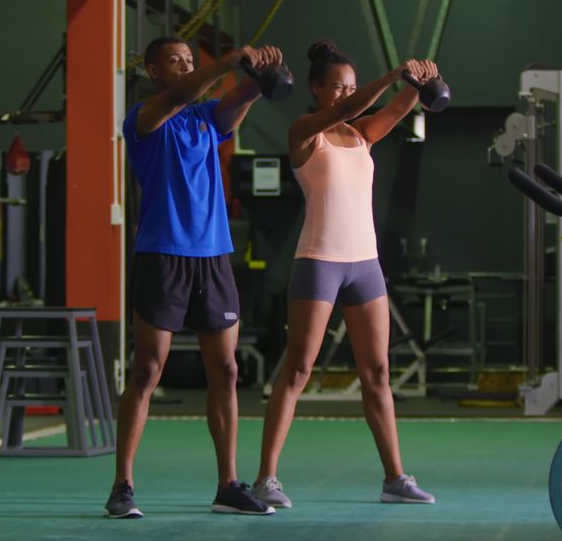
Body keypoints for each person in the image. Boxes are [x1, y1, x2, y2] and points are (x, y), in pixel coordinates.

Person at [252, 39, 439, 509]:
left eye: (350, 87)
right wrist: (395, 74)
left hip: (365, 265)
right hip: (319, 262)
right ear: (316, 89)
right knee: (297, 369)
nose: (346, 95)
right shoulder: (305, 132)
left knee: (377, 371)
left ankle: (395, 477)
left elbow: (395, 109)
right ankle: (266, 479)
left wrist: (418, 80)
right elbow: (357, 106)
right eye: (337, 87)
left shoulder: (360, 136)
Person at [104, 36, 285, 519]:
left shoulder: (206, 117)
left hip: (214, 257)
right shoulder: (144, 117)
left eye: (190, 60)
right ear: (153, 70)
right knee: (147, 369)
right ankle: (123, 484)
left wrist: (257, 75)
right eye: (175, 61)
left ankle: (228, 483)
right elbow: (183, 95)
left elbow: (234, 104)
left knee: (225, 371)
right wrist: (226, 63)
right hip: (163, 255)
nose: (184, 66)